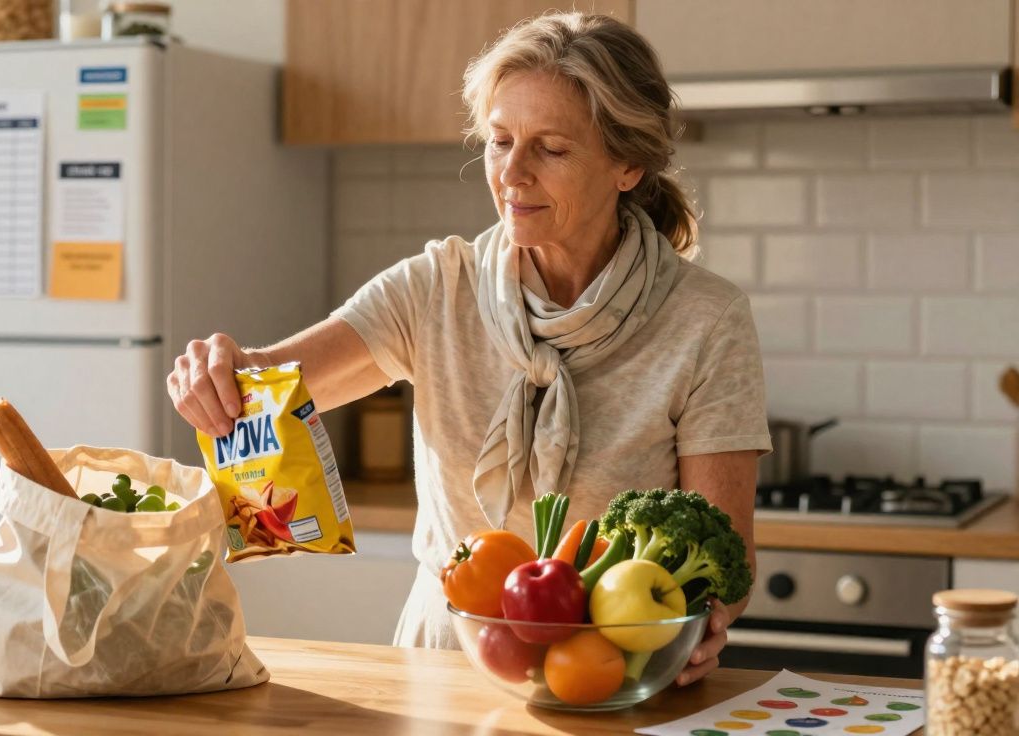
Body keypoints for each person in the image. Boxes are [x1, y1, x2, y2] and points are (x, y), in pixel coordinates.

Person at [167, 11, 770, 686]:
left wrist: (703, 621)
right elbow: (272, 382)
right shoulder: (436, 289)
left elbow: (726, 559)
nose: (512, 174)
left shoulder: (705, 320)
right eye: (499, 140)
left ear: (626, 164)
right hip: (448, 664)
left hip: (616, 672)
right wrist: (217, 369)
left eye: (552, 149)